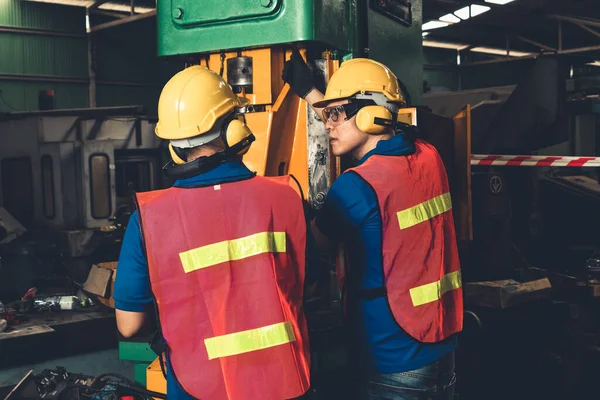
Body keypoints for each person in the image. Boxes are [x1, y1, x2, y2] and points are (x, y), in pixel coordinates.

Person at [113, 66, 313, 400]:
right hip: (283, 383)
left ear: (174, 147)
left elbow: (129, 325)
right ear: (236, 128)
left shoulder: (148, 219)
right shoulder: (286, 197)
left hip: (197, 389)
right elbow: (307, 283)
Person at [283, 52, 463, 400]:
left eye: (335, 114)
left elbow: (311, 252)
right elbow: (373, 145)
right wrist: (311, 94)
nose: (326, 124)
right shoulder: (429, 156)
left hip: (391, 363)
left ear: (369, 116)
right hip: (441, 351)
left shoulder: (353, 188)